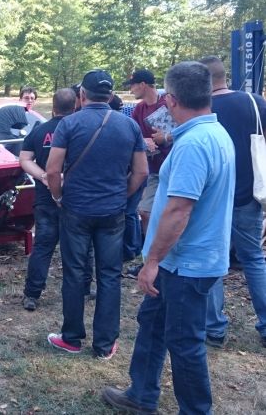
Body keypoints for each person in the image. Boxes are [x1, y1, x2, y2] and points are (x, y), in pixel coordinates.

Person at [102, 61, 235, 415]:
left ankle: (195, 410)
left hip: (186, 263)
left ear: (171, 101)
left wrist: (153, 261)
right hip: (183, 259)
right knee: (152, 324)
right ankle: (141, 394)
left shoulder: (194, 144)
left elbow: (179, 211)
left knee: (184, 342)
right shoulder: (213, 133)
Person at [45, 69, 148, 359]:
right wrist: (122, 195)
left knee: (75, 274)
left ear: (82, 95)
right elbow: (141, 171)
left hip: (75, 209)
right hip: (113, 211)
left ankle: (72, 337)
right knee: (110, 275)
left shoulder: (69, 124)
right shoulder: (129, 127)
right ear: (112, 95)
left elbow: (53, 170)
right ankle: (105, 344)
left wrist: (58, 196)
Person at [200, 56, 266, 349]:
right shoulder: (255, 102)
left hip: (213, 195)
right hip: (250, 193)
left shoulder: (203, 108)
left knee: (213, 260)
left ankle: (214, 328)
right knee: (253, 259)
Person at [19, 88, 76, 311]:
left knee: (43, 245)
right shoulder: (81, 130)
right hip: (76, 198)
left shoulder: (40, 131)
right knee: (79, 246)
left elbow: (24, 159)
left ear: (53, 107)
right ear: (75, 106)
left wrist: (43, 176)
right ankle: (83, 287)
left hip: (46, 198)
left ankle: (32, 294)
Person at [125, 70, 170, 236]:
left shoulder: (169, 102)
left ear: (143, 85)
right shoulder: (139, 109)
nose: (131, 90)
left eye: (133, 86)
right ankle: (150, 254)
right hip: (154, 170)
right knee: (145, 212)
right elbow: (134, 136)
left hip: (174, 167)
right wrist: (144, 141)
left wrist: (165, 138)